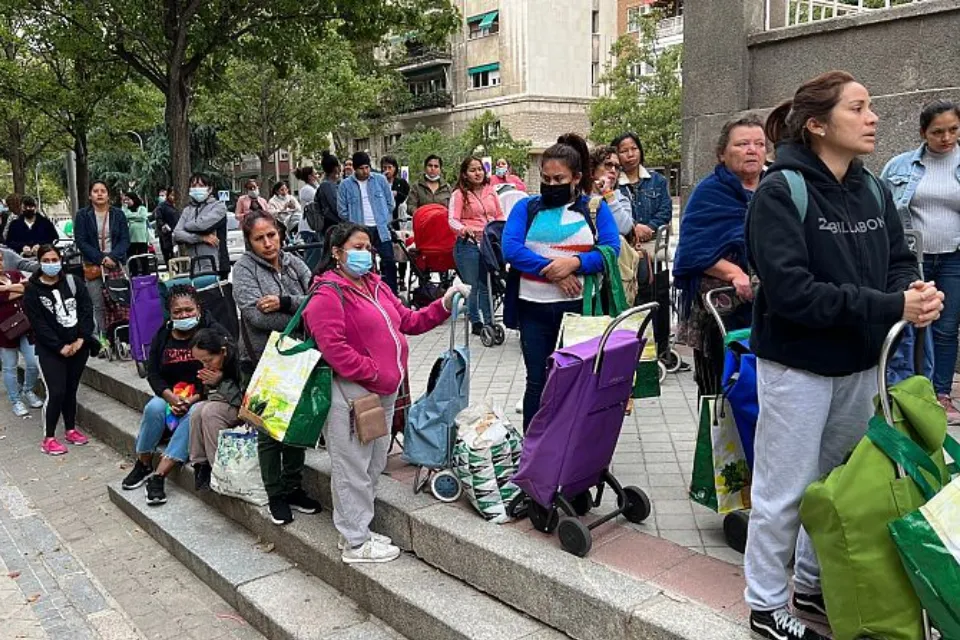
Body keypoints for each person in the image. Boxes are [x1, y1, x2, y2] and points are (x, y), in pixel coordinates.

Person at [743, 71, 943, 640]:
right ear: (817, 124)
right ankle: (765, 605)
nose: (872, 118)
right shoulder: (781, 192)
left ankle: (812, 584)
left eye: (870, 106)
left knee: (837, 484)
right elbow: (793, 293)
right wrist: (892, 305)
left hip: (859, 364)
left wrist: (914, 294)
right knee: (784, 492)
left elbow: (899, 259)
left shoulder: (872, 188)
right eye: (857, 108)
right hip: (797, 367)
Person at [306, 223, 468, 563]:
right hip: (353, 394)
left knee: (373, 463)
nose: (365, 254)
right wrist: (374, 372)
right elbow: (334, 349)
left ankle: (357, 530)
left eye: (368, 248)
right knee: (352, 467)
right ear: (336, 252)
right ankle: (356, 543)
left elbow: (408, 321)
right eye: (357, 247)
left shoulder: (375, 285)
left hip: (382, 392)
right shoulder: (327, 293)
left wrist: (443, 303)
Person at [502, 133, 621, 430]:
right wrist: (552, 270)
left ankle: (573, 445)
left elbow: (610, 249)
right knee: (537, 382)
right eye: (546, 178)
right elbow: (511, 249)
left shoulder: (594, 208)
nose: (551, 184)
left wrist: (575, 263)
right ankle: (534, 448)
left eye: (559, 179)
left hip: (579, 311)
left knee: (578, 381)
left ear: (576, 178)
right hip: (533, 309)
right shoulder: (526, 208)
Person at [233, 210, 320, 525]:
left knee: (297, 426)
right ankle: (275, 494)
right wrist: (301, 309)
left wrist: (284, 302)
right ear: (250, 241)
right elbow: (256, 317)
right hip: (261, 359)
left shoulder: (294, 262)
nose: (268, 243)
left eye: (271, 235)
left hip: (298, 356)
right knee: (269, 431)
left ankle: (294, 487)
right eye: (259, 238)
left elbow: (318, 300)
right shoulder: (243, 270)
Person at [673, 115, 766, 397]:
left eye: (760, 144)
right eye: (742, 144)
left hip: (773, 308)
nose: (752, 150)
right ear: (722, 153)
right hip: (723, 312)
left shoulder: (777, 187)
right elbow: (692, 251)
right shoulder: (709, 193)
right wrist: (734, 273)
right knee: (722, 391)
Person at [881, 99, 960, 424]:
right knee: (913, 324)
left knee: (946, 327)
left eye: (953, 129)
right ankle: (913, 391)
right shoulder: (898, 167)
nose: (946, 138)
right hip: (913, 258)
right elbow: (882, 210)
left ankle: (941, 394)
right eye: (937, 132)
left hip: (954, 257)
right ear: (923, 132)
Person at [121, 285, 227, 505]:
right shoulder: (163, 335)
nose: (184, 315)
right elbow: (153, 373)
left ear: (198, 309)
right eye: (177, 311)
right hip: (171, 395)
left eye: (189, 310)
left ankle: (159, 475)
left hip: (202, 396)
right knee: (154, 408)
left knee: (194, 414)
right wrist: (169, 397)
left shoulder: (212, 333)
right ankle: (143, 463)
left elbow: (218, 370)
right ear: (169, 313)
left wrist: (192, 398)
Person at [23, 245, 95, 456]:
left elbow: (86, 310)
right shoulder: (33, 290)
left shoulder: (73, 282)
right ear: (39, 262)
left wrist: (81, 339)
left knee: (71, 390)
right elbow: (38, 323)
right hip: (49, 350)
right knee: (56, 392)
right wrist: (59, 346)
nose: (51, 264)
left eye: (54, 260)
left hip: (78, 346)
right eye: (46, 260)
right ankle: (49, 438)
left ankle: (70, 429)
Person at [449, 156, 505, 333]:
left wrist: (501, 229)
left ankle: (490, 322)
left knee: (486, 284)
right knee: (473, 285)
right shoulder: (459, 194)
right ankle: (475, 320)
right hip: (468, 243)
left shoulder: (491, 191)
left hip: (488, 243)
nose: (477, 173)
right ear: (465, 174)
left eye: (480, 169)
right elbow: (452, 220)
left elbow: (499, 215)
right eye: (472, 170)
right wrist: (463, 229)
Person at [74, 181, 130, 342]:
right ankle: (101, 339)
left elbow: (125, 239)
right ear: (90, 195)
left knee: (121, 302)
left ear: (108, 195)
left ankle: (123, 337)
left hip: (117, 263)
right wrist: (101, 259)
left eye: (103, 191)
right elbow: (81, 241)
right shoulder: (83, 215)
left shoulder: (118, 214)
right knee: (97, 304)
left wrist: (113, 257)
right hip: (94, 265)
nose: (99, 194)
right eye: (95, 191)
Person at [188, 327, 243, 491]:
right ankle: (200, 464)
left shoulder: (240, 361)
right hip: (223, 402)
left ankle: (218, 467)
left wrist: (220, 381)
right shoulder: (212, 365)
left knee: (210, 412)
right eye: (201, 362)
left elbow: (244, 400)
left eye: (209, 360)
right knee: (197, 411)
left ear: (223, 351)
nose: (205, 365)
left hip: (243, 409)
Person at [337, 152, 398, 294]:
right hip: (360, 230)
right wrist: (353, 221)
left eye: (367, 167)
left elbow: (391, 203)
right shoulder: (345, 185)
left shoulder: (380, 180)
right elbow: (342, 211)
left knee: (389, 261)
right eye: (361, 168)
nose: (365, 171)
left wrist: (384, 217)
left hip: (381, 228)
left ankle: (392, 294)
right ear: (355, 169)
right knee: (364, 265)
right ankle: (368, 294)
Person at [0, 251, 43, 418]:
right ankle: (15, 400)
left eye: (1, 260)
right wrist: (18, 288)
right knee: (9, 366)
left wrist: (8, 288)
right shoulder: (17, 279)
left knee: (33, 362)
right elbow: (6, 297)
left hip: (26, 327)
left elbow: (29, 287)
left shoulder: (14, 274)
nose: (0, 264)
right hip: (5, 331)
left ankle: (28, 389)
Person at [613, 132, 672, 246]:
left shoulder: (657, 180)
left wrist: (650, 228)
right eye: (624, 151)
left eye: (634, 149)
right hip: (623, 245)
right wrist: (633, 228)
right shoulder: (612, 184)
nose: (630, 154)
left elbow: (665, 211)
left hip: (653, 242)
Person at [174, 173, 229, 279]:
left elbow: (202, 226)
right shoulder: (187, 210)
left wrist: (186, 226)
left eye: (201, 185)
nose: (197, 188)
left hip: (216, 266)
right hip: (194, 266)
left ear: (210, 189)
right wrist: (201, 238)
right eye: (194, 185)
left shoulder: (218, 207)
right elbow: (177, 234)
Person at [588, 147, 634, 236]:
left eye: (617, 167)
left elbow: (624, 229)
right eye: (608, 165)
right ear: (592, 168)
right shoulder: (580, 196)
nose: (613, 170)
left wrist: (608, 194)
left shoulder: (621, 199)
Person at [313, 152, 343, 241]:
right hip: (331, 226)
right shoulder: (327, 185)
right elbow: (336, 207)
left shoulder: (331, 183)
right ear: (335, 168)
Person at [295, 165, 320, 247]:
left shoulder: (314, 188)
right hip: (308, 227)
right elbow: (320, 198)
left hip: (313, 226)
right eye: (315, 174)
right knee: (312, 251)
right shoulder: (306, 190)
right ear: (310, 176)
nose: (318, 176)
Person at [153, 188, 180, 265]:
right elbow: (159, 219)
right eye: (172, 195)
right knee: (169, 256)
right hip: (167, 236)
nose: (173, 197)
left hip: (178, 234)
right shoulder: (162, 206)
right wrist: (164, 226)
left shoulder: (179, 205)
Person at [381, 156, 410, 225]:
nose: (387, 170)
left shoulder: (402, 183)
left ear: (395, 168)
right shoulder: (379, 183)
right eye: (385, 168)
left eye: (389, 167)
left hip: (398, 217)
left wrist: (397, 194)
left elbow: (407, 197)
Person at [122, 192, 150, 257]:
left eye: (128, 199)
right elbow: (124, 216)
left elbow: (143, 217)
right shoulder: (125, 209)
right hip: (130, 239)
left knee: (143, 257)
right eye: (125, 200)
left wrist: (130, 218)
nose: (126, 202)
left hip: (142, 238)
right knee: (131, 258)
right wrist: (136, 216)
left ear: (133, 199)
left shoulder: (142, 208)